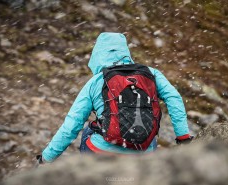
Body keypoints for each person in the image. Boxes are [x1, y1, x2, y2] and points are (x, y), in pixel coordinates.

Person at [37, 32, 192, 164]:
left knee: (87, 130)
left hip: (101, 153)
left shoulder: (96, 81)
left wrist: (46, 159)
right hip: (143, 155)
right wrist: (183, 136)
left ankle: (91, 174)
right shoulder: (151, 73)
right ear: (125, 51)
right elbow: (174, 97)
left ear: (98, 54)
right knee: (148, 133)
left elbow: (71, 125)